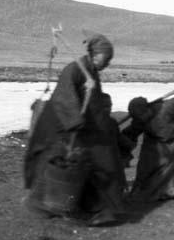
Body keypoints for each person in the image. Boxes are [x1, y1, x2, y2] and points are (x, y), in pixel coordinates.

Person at [23, 34, 127, 226]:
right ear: (95, 55)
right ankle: (53, 205)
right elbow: (63, 97)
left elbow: (95, 100)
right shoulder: (74, 70)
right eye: (106, 59)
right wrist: (75, 122)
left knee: (104, 164)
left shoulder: (91, 72)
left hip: (89, 128)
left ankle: (100, 208)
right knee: (81, 164)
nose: (108, 63)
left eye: (109, 60)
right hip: (69, 128)